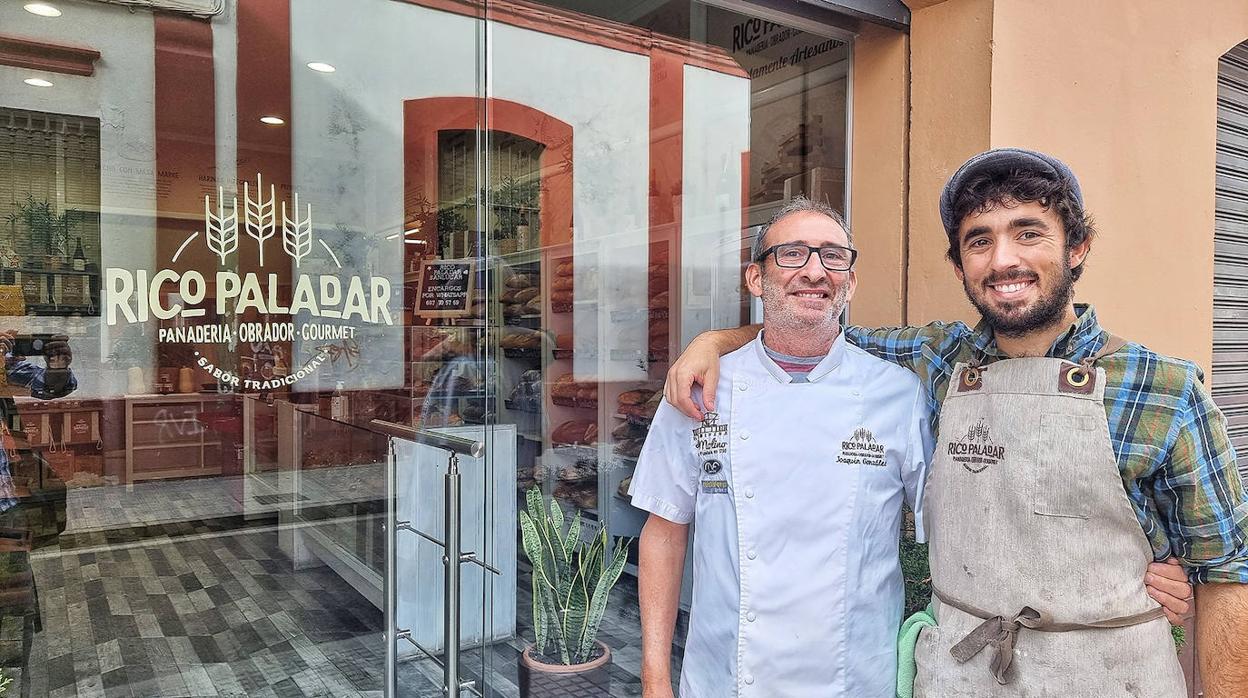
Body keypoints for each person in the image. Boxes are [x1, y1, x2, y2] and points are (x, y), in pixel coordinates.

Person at [663, 149, 1248, 696]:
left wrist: (1187, 597)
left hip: (1111, 676)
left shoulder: (1165, 391)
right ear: (959, 263)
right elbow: (807, 328)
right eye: (979, 242)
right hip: (962, 676)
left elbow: (1227, 574)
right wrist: (712, 342)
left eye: (1029, 233)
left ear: (1078, 248)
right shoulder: (937, 360)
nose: (1003, 261)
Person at [629, 198, 933, 697]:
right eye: (792, 254)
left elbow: (945, 533)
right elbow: (664, 532)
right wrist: (655, 678)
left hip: (853, 677)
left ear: (850, 282)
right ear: (756, 279)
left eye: (834, 256)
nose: (815, 271)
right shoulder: (699, 388)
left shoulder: (899, 395)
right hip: (724, 676)